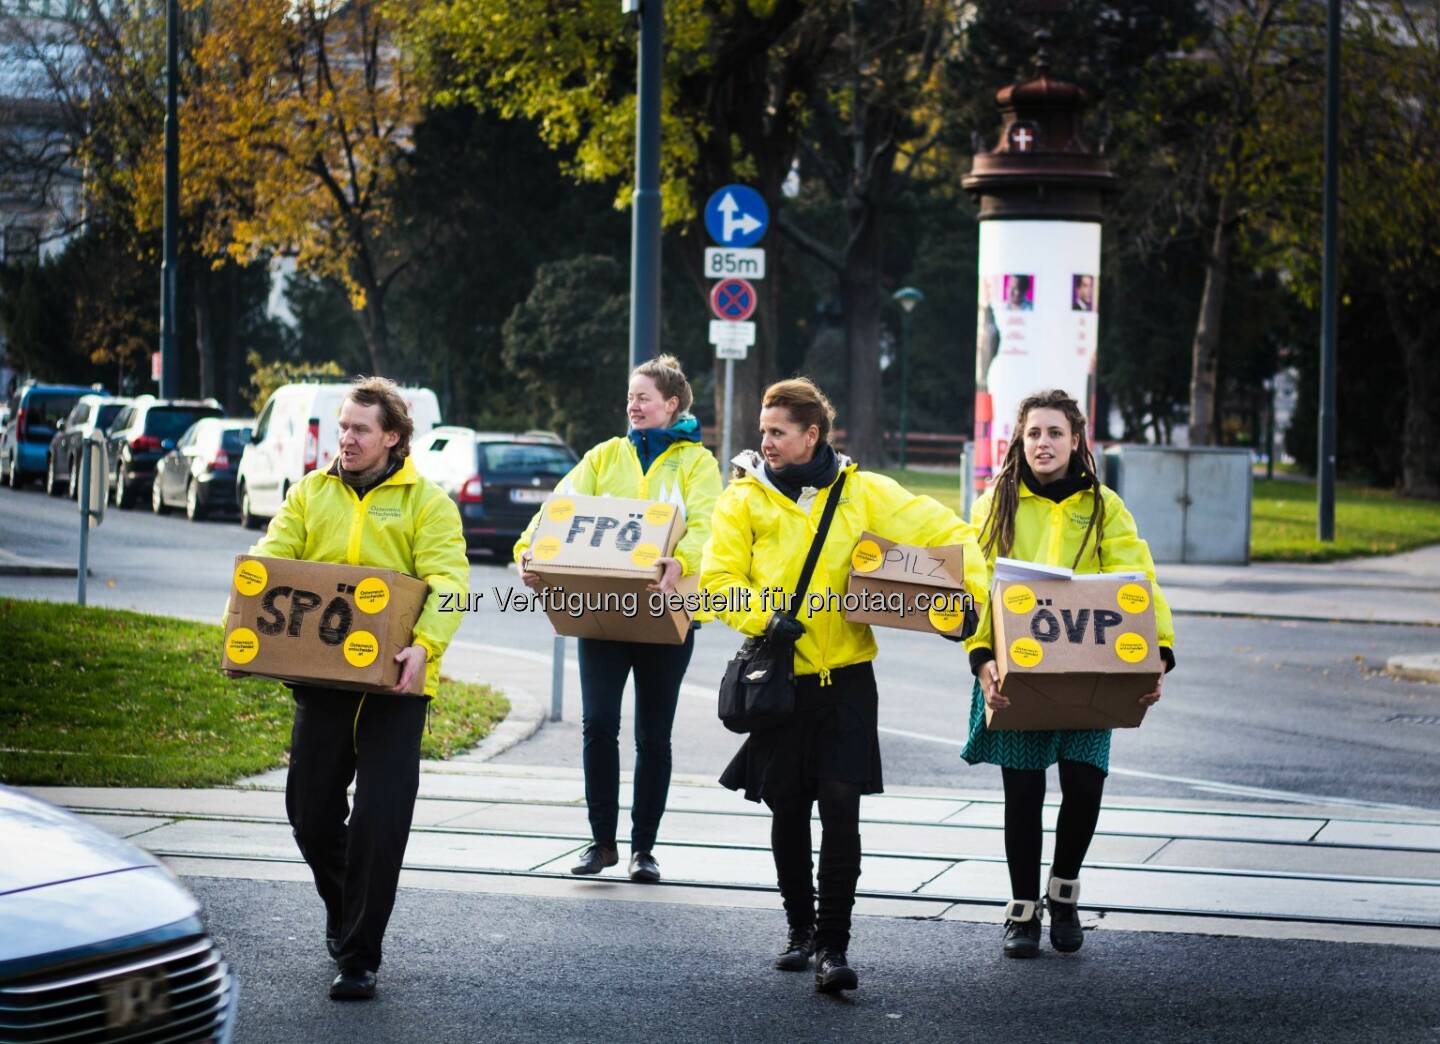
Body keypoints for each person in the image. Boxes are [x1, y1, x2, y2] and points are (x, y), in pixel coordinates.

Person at [701, 378, 988, 994]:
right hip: (780, 679)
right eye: (763, 430)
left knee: (841, 809)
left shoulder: (862, 493)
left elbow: (954, 535)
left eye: (779, 431)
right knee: (788, 811)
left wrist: (969, 602)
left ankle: (834, 947)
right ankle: (798, 930)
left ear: (812, 435)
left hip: (848, 681)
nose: (766, 441)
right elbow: (716, 581)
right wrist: (765, 616)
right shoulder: (743, 499)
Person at [246, 376, 469, 1000]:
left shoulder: (427, 502)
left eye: (360, 429)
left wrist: (426, 648)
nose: (346, 437)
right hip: (323, 682)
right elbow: (274, 563)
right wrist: (249, 616)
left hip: (395, 686)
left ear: (392, 438)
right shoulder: (309, 493)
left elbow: (450, 580)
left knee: (378, 820)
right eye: (342, 426)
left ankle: (359, 955)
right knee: (309, 813)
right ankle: (347, 911)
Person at [961, 388, 1175, 958]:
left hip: (1090, 671)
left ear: (1076, 440)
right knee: (1023, 791)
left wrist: (1160, 653)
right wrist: (980, 658)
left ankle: (1064, 893)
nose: (1043, 443)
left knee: (1084, 784)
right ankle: (1022, 910)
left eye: (1055, 433)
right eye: (1034, 433)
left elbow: (1138, 581)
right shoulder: (994, 505)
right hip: (1015, 673)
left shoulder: (1104, 507)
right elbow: (975, 586)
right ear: (1020, 440)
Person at [515, 354, 721, 884]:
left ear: (671, 405)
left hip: (666, 612)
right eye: (630, 396)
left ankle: (643, 850)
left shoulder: (698, 463)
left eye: (643, 396)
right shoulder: (605, 456)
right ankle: (601, 842)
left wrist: (685, 560)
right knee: (598, 724)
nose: (633, 404)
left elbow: (708, 525)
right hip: (603, 613)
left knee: (654, 736)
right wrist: (527, 551)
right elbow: (556, 509)